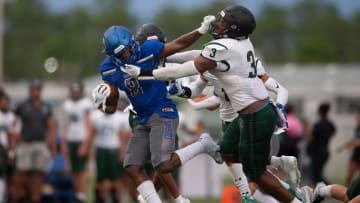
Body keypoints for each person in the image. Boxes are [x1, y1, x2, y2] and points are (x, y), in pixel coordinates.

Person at [121, 4, 307, 203]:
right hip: (249, 111)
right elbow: (195, 60)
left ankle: (293, 200)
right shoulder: (241, 44)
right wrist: (167, 58)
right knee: (226, 152)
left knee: (256, 173)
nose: (218, 25)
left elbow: (182, 70)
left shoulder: (221, 49)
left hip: (254, 114)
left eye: (223, 22)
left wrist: (144, 73)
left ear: (233, 29)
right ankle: (279, 164)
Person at [92, 16, 222, 203]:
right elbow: (111, 106)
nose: (126, 56)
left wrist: (200, 30)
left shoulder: (149, 50)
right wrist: (104, 103)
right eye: (120, 56)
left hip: (163, 111)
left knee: (163, 164)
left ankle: (203, 145)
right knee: (131, 166)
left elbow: (180, 45)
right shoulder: (108, 68)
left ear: (132, 43)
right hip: (142, 117)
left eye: (127, 51)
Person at [79, 101, 132, 203]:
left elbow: (123, 136)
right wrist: (86, 147)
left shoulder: (119, 117)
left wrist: (122, 151)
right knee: (100, 178)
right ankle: (100, 199)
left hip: (114, 150)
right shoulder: (96, 115)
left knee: (116, 178)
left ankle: (116, 199)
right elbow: (91, 133)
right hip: (100, 150)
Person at [14, 79, 57, 203]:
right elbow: (15, 123)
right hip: (25, 143)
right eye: (34, 89)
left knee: (38, 174)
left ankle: (35, 199)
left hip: (40, 143)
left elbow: (50, 126)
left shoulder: (46, 107)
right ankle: (21, 197)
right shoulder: (23, 105)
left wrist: (52, 144)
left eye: (38, 89)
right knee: (22, 172)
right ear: (30, 90)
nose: (36, 92)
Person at [62, 80, 93, 203]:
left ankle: (81, 196)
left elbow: (89, 125)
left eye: (77, 90)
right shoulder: (68, 104)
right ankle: (75, 196)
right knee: (72, 170)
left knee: (81, 171)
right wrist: (64, 142)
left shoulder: (85, 103)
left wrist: (85, 144)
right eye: (73, 91)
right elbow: (66, 124)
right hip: (71, 139)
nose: (75, 93)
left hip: (81, 139)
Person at [307, 102, 336, 185]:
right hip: (325, 151)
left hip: (316, 151)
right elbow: (334, 133)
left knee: (315, 175)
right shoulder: (329, 123)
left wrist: (307, 131)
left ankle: (328, 188)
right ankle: (325, 188)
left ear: (319, 112)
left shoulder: (318, 124)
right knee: (318, 174)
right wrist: (325, 137)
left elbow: (311, 138)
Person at [0, 90, 19, 203]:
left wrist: (11, 152)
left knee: (11, 177)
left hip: (7, 150)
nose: (6, 103)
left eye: (7, 101)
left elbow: (13, 135)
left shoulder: (12, 116)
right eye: (3, 101)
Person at [337, 109, 360, 186]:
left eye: (358, 116)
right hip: (356, 154)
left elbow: (358, 142)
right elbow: (354, 140)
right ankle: (348, 195)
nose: (356, 118)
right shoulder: (357, 128)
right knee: (349, 176)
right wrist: (342, 147)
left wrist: (352, 145)